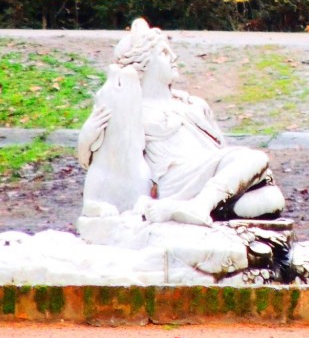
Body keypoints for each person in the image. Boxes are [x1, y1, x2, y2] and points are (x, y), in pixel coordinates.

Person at [110, 17, 285, 226]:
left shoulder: (193, 104)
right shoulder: (134, 110)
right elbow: (101, 158)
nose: (174, 57)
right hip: (177, 180)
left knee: (272, 199)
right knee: (254, 158)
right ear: (143, 64)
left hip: (210, 174)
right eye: (164, 53)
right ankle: (199, 206)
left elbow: (221, 151)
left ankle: (189, 208)